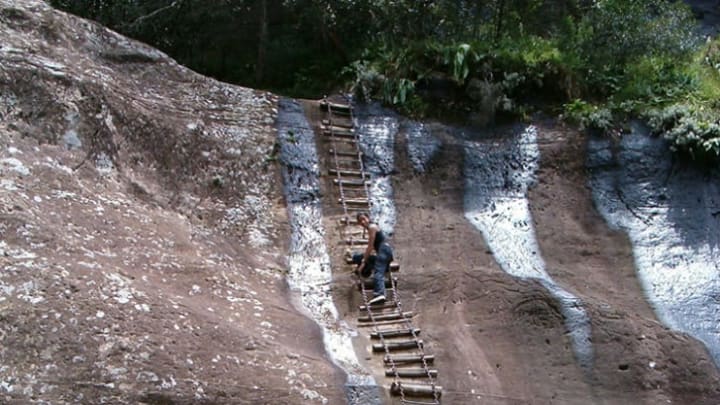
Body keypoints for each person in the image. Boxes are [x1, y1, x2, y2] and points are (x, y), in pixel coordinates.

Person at [350, 212, 393, 305]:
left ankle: (380, 294)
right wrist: (363, 260)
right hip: (382, 253)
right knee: (357, 257)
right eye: (360, 220)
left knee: (378, 272)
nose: (362, 221)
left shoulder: (372, 227)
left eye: (363, 219)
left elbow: (370, 246)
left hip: (384, 251)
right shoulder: (371, 228)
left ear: (368, 218)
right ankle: (367, 270)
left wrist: (363, 263)